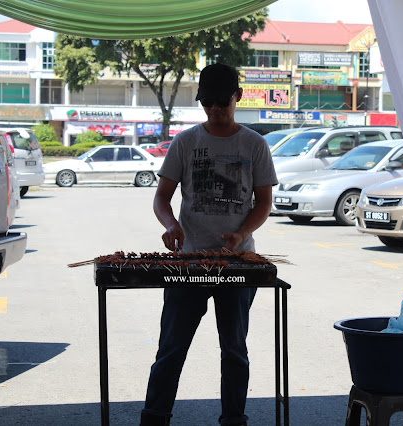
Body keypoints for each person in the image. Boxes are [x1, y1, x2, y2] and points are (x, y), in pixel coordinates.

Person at [140, 63, 278, 426]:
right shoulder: (186, 143)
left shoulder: (254, 144)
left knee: (234, 350)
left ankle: (234, 419)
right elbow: (161, 199)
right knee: (171, 349)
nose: (214, 109)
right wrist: (170, 225)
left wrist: (240, 233)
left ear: (238, 97)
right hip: (189, 263)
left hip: (237, 263)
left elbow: (263, 203)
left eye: (221, 101)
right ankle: (154, 418)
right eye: (207, 102)